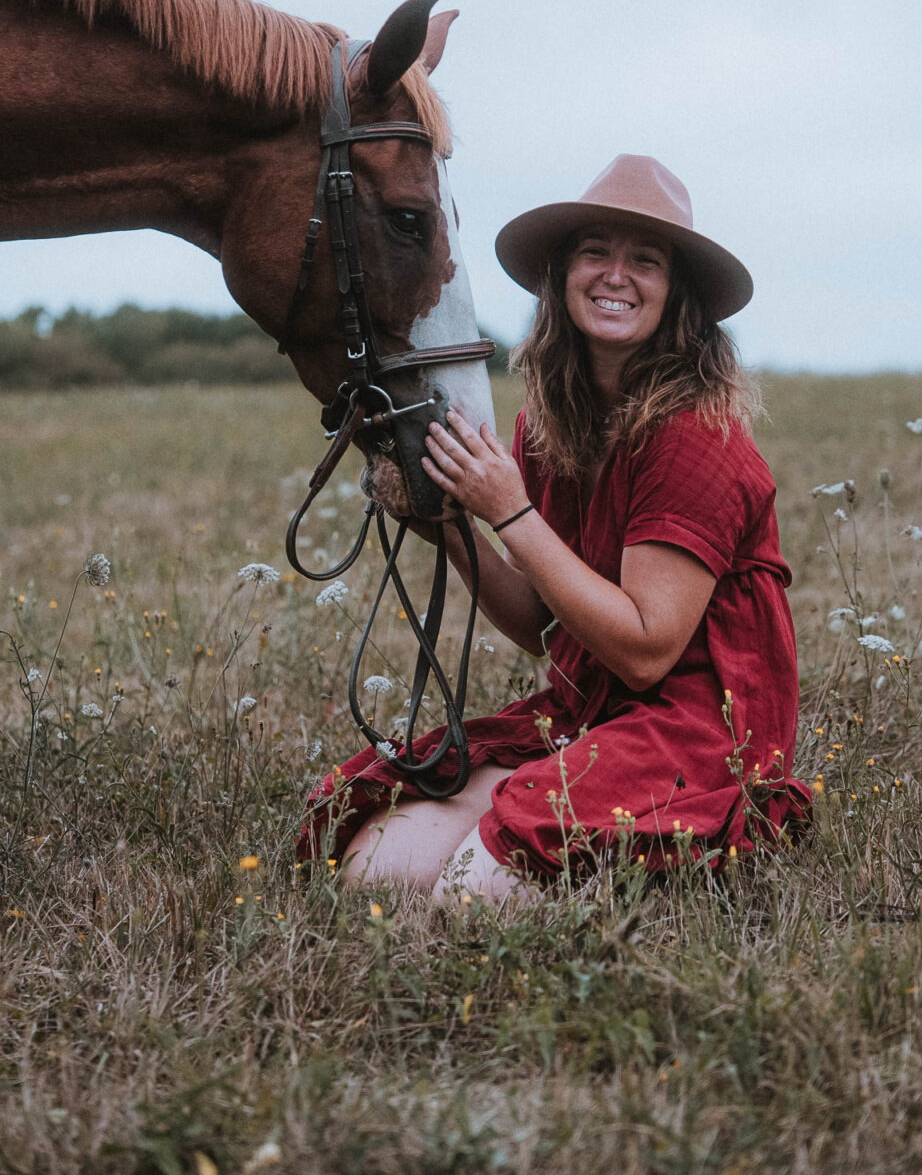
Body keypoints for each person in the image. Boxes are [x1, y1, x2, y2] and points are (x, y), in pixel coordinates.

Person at [297, 155, 810, 900]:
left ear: (679, 294)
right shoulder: (550, 425)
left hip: (695, 730)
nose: (615, 274)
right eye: (595, 251)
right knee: (374, 873)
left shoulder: (697, 437)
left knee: (468, 898)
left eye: (646, 260)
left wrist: (507, 509)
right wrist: (449, 525)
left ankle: (664, 891)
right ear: (563, 273)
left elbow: (644, 651)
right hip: (587, 714)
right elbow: (542, 619)